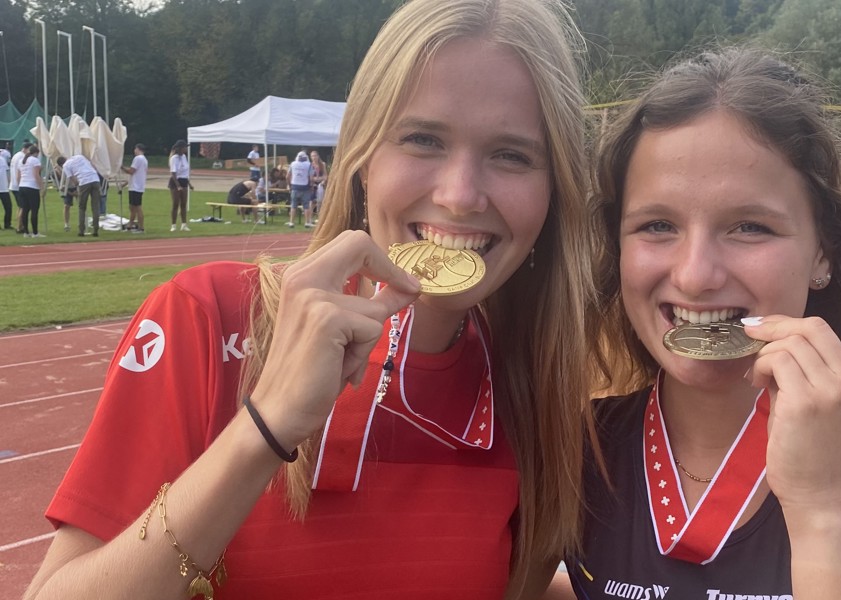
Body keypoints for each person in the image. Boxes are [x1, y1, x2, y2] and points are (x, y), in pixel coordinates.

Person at [25, 1, 592, 599]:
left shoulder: (538, 397)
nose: (459, 196)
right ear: (361, 159)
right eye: (423, 139)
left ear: (554, 191)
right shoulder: (209, 317)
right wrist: (265, 427)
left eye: (511, 154)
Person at [562, 48, 841, 599]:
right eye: (657, 224)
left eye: (749, 227)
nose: (694, 276)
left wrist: (818, 502)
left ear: (823, 253)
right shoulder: (579, 448)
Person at [58, 155, 103, 238]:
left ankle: (81, 230)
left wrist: (77, 187)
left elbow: (73, 180)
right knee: (95, 206)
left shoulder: (66, 166)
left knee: (82, 207)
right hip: (95, 179)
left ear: (60, 165)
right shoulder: (80, 156)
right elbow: (92, 165)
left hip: (84, 182)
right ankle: (95, 230)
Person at [17, 144, 44, 238]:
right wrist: (42, 187)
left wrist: (19, 185)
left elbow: (18, 176)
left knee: (25, 209)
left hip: (22, 186)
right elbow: (36, 175)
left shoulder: (21, 161)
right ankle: (35, 232)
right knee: (34, 210)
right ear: (36, 153)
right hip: (32, 187)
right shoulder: (35, 160)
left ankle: (26, 232)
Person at [121, 143, 149, 232]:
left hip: (136, 187)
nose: (134, 151)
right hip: (137, 185)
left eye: (135, 149)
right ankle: (130, 224)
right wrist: (126, 183)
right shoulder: (144, 160)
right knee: (132, 206)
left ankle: (141, 227)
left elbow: (131, 171)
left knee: (137, 207)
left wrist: (121, 167)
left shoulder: (138, 159)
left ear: (138, 149)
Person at [168, 139, 193, 232]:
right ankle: (173, 225)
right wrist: (178, 185)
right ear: (180, 148)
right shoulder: (174, 158)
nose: (186, 149)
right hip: (175, 181)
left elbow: (185, 172)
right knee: (175, 204)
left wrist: (189, 184)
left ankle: (184, 224)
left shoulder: (184, 157)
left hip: (184, 181)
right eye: (185, 147)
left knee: (183, 204)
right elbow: (173, 173)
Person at [286, 151, 312, 228]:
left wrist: (289, 185)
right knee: (306, 206)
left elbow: (287, 176)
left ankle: (291, 222)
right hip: (305, 187)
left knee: (293, 206)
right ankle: (307, 222)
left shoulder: (292, 164)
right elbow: (310, 177)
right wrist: (311, 186)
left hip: (294, 186)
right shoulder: (309, 165)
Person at [10, 141, 28, 234]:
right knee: (23, 207)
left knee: (20, 207)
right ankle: (19, 227)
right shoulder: (21, 157)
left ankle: (20, 225)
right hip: (18, 185)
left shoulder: (16, 155)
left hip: (13, 185)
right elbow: (19, 171)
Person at [308, 149, 327, 226]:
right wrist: (315, 180)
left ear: (318, 156)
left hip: (321, 185)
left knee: (320, 202)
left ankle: (319, 218)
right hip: (313, 185)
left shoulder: (322, 164)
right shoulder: (310, 165)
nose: (314, 157)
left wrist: (323, 181)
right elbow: (310, 177)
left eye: (315, 155)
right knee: (312, 202)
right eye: (312, 156)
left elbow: (325, 175)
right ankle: (310, 219)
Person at [0, 149, 10, 230]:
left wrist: (8, 182)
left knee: (8, 207)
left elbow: (6, 172)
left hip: (4, 188)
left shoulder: (2, 160)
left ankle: (7, 224)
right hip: (2, 187)